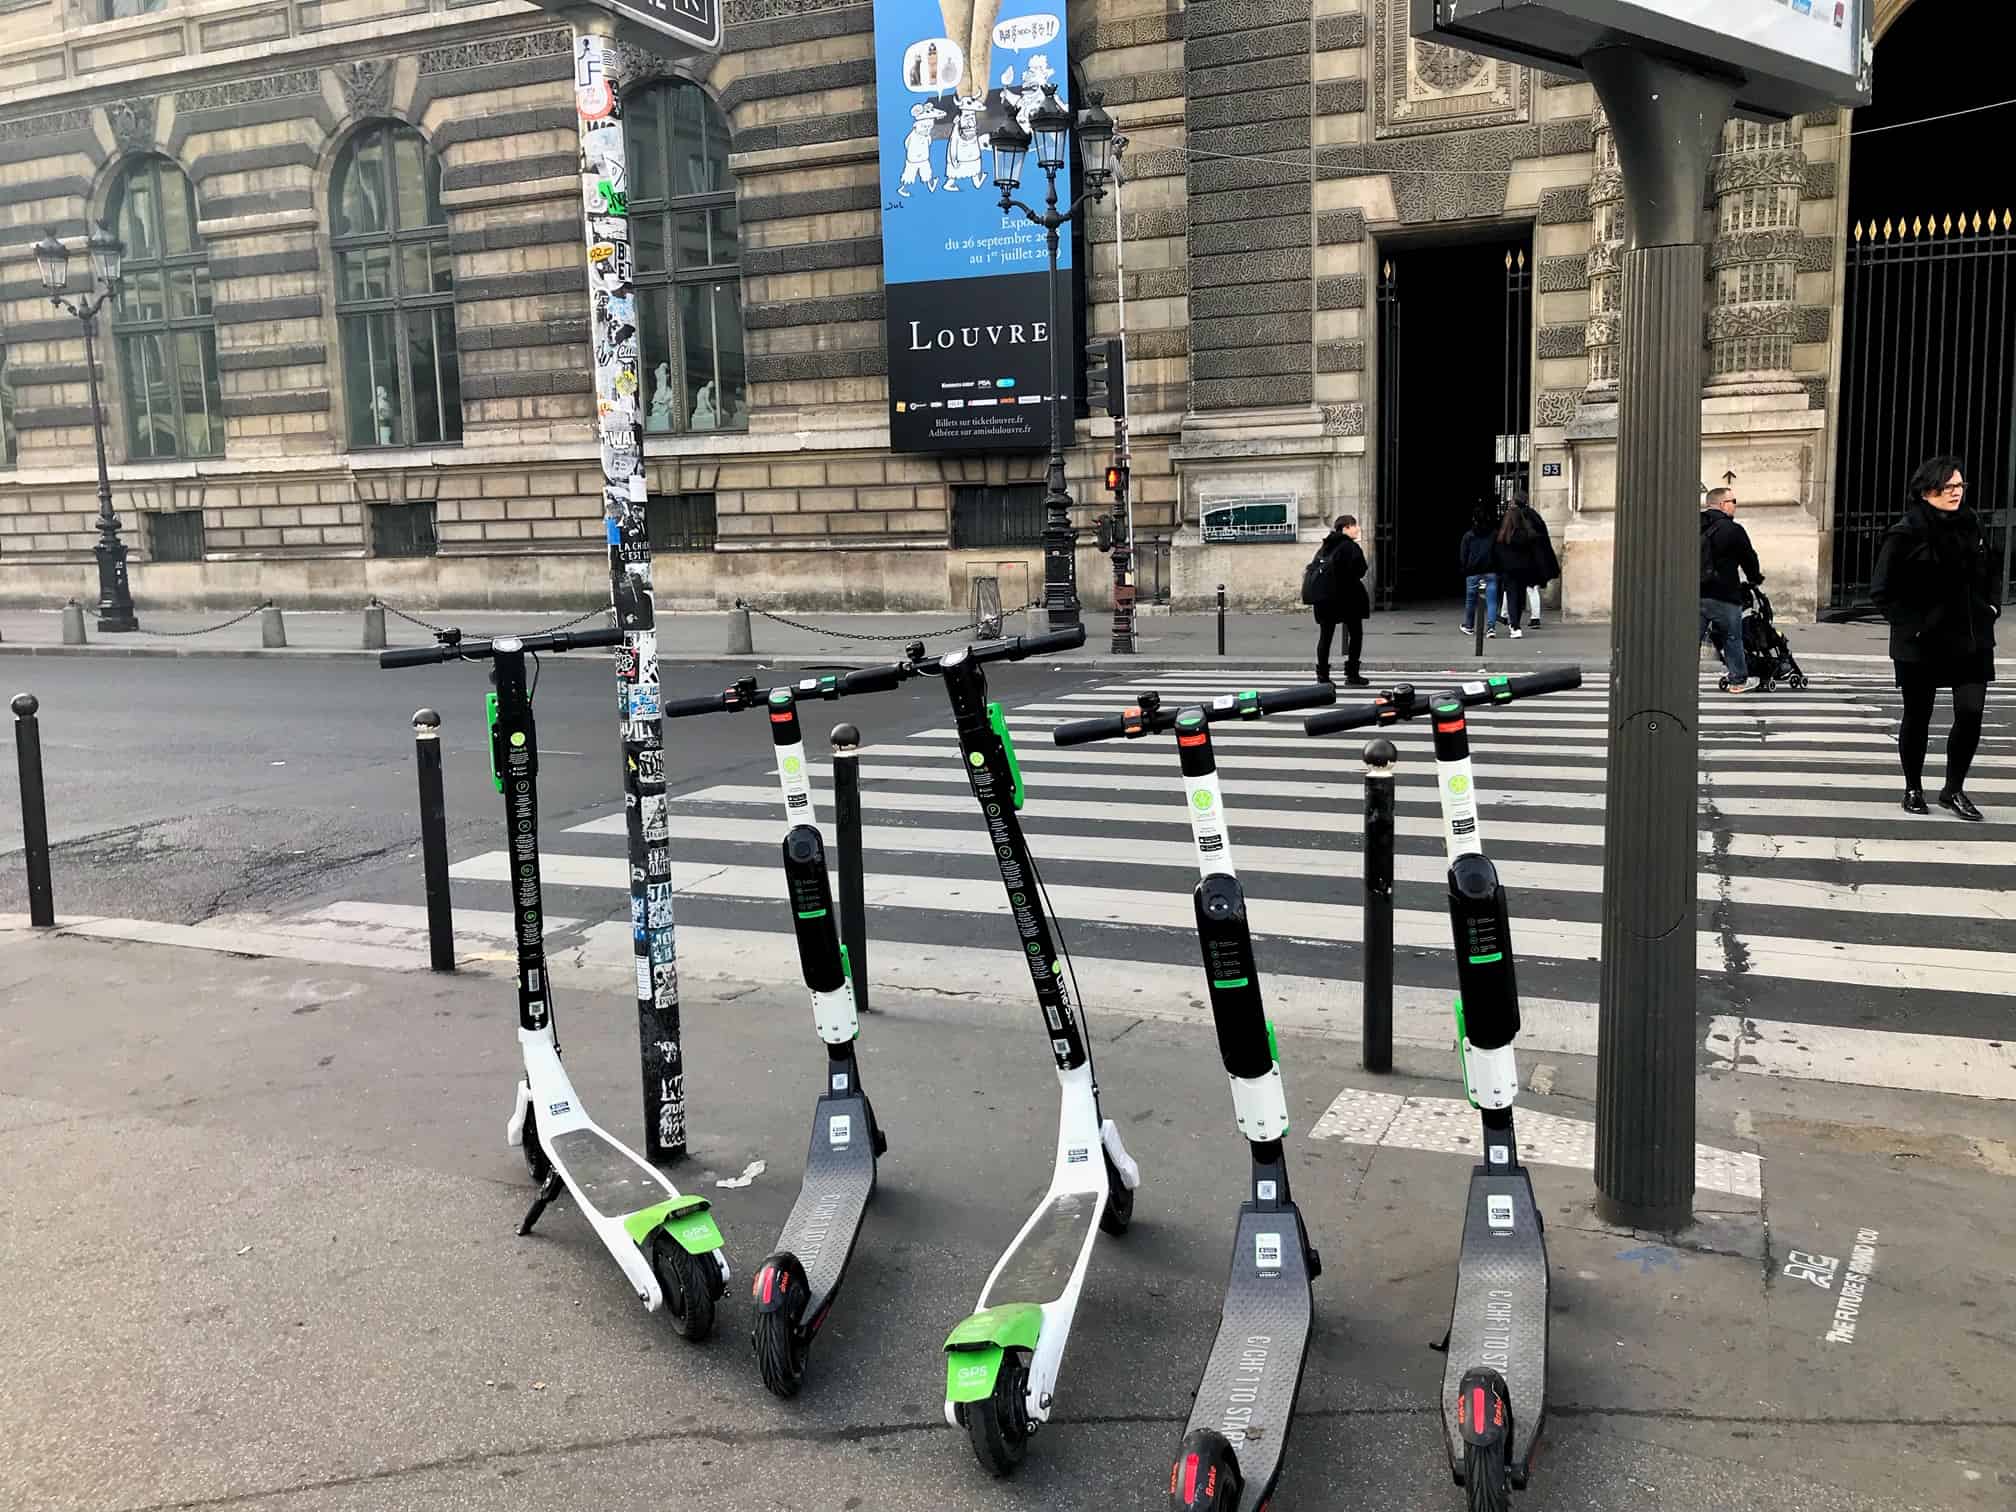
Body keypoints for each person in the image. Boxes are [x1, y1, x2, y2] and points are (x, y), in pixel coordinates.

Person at [1871, 455, 1998, 819]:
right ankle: (1913, 788)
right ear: (1928, 490)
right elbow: (1882, 589)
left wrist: (1991, 607)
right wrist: (1911, 625)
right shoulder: (1906, 531)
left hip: (1971, 635)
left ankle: (1954, 789)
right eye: (1950, 487)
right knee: (1918, 715)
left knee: (1971, 712)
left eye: (1961, 486)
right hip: (1921, 641)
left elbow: (1987, 570)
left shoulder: (1972, 523)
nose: (1957, 492)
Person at [1699, 485, 1763, 694]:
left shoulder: (1689, 525)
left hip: (1694, 593)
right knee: (1732, 638)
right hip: (1724, 594)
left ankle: (1681, 680)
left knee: (1690, 639)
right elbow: (1749, 558)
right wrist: (1754, 579)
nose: (1735, 506)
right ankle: (1737, 680)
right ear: (1721, 504)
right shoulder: (1733, 530)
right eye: (1733, 502)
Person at [1310, 514, 1371, 686]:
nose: (1357, 528)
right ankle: (1352, 675)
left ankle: (1323, 676)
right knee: (1356, 634)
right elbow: (1361, 570)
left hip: (1324, 598)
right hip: (1348, 598)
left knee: (1325, 637)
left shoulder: (1324, 546)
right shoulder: (1350, 547)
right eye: (1354, 525)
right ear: (1345, 528)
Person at [1492, 499, 1546, 639]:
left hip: (1508, 571)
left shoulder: (1503, 535)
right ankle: (1516, 625)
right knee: (1519, 597)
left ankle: (1514, 626)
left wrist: (1499, 570)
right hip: (1524, 570)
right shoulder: (1527, 535)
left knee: (1511, 597)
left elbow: (1497, 554)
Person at [1514, 493, 1559, 628]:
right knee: (1532, 589)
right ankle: (1535, 618)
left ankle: (1505, 615)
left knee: (1510, 587)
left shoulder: (1516, 516)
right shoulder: (1535, 516)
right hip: (1536, 559)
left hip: (1523, 558)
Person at [1457, 503, 1500, 637]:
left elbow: (1463, 555)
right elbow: (1498, 552)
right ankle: (1491, 628)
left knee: (1471, 601)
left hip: (1473, 572)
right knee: (1491, 601)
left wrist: (1465, 568)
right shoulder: (1494, 534)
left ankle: (1469, 626)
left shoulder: (1468, 535)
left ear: (1474, 519)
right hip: (1491, 571)